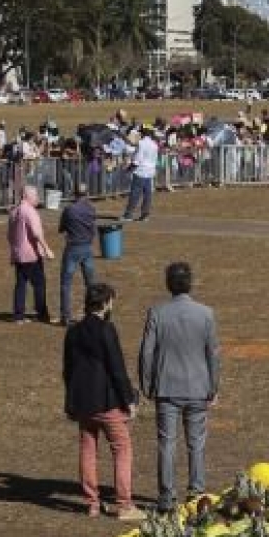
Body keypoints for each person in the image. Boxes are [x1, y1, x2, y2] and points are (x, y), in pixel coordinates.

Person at [138, 262, 220, 513]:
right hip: (198, 387)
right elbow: (213, 354)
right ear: (190, 283)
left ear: (168, 284)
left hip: (167, 388)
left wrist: (146, 384)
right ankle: (196, 492)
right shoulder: (206, 314)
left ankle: (166, 497)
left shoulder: (157, 313)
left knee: (167, 443)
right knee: (196, 443)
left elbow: (146, 353)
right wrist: (213, 386)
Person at [63, 283, 145, 520]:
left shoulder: (73, 331)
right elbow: (116, 368)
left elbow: (67, 370)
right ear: (107, 303)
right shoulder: (107, 330)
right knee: (122, 449)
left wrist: (71, 401)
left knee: (87, 449)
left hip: (83, 403)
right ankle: (124, 504)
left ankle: (92, 504)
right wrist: (129, 399)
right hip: (107, 402)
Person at [7, 185, 54, 323]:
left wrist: (15, 249)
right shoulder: (30, 211)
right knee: (39, 284)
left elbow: (9, 235)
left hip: (18, 254)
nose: (38, 198)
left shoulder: (14, 212)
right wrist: (46, 248)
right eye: (35, 196)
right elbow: (36, 233)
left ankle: (18, 315)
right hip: (31, 254)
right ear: (27, 197)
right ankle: (42, 314)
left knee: (20, 284)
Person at [58, 183, 98, 326]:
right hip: (87, 247)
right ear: (86, 194)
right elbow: (93, 228)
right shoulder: (91, 209)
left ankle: (65, 316)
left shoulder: (69, 210)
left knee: (66, 283)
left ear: (74, 194)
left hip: (73, 247)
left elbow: (61, 228)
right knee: (90, 284)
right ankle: (92, 313)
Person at [121, 126, 158, 222]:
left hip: (140, 171)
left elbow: (137, 160)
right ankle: (145, 215)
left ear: (143, 133)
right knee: (147, 195)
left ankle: (128, 215)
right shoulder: (154, 144)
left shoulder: (142, 144)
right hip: (150, 172)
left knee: (135, 194)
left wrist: (128, 169)